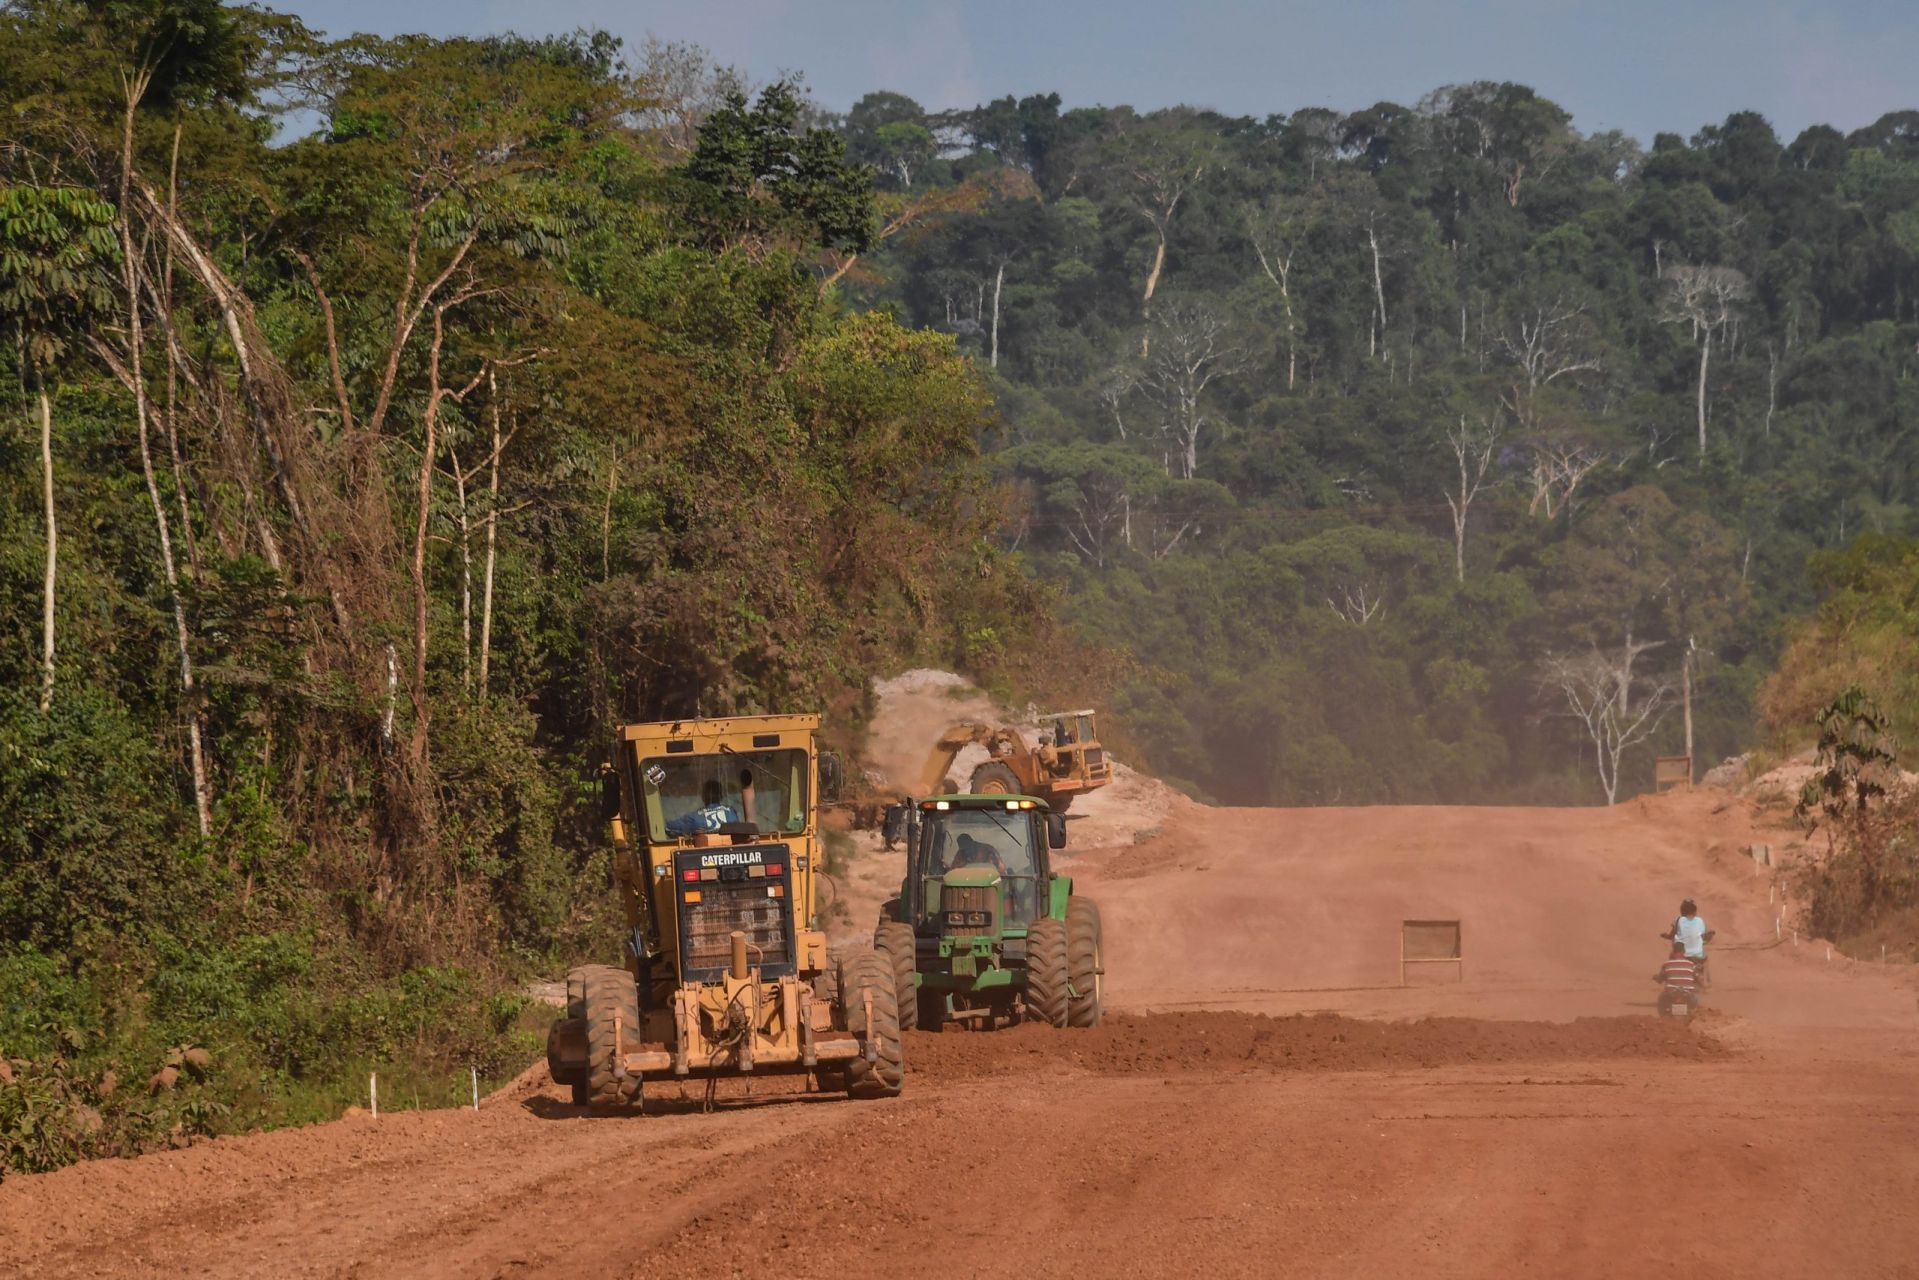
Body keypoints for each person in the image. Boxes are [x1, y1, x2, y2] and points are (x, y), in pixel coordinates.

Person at [1662, 898, 1716, 987]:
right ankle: (1706, 982)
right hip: (1697, 955)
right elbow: (1705, 937)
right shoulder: (1700, 921)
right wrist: (1710, 936)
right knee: (1705, 960)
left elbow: (1672, 935)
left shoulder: (1677, 920)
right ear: (1695, 910)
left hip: (1680, 952)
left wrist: (1666, 936)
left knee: (1671, 959)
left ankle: (1668, 979)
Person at [665, 779, 739, 837]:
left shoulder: (694, 818)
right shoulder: (731, 812)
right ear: (721, 796)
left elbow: (668, 826)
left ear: (703, 797)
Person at [1654, 942, 1700, 1017]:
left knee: (1661, 1002)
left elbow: (1660, 979)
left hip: (1670, 994)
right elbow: (1698, 978)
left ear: (1673, 952)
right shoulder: (1691, 965)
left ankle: (1662, 1020)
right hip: (1687, 994)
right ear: (1684, 952)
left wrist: (1656, 978)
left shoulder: (1667, 964)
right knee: (1696, 1004)